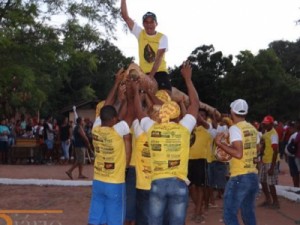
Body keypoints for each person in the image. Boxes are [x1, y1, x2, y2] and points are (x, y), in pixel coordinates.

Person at [134, 61, 199, 225]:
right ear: (177, 116)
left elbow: (139, 112)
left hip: (156, 184)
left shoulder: (152, 129)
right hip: (178, 183)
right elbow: (195, 104)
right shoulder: (184, 129)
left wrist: (136, 91)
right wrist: (188, 80)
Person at [214, 99, 260, 225]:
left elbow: (238, 154)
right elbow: (258, 148)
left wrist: (220, 144)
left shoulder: (235, 128)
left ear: (232, 111)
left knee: (229, 214)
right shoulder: (252, 128)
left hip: (239, 177)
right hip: (252, 176)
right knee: (248, 212)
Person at [121, 0, 172, 92]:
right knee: (132, 67)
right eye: (146, 22)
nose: (149, 25)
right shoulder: (140, 33)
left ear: (156, 24)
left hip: (160, 72)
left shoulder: (162, 37)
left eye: (152, 22)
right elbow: (125, 17)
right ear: (143, 24)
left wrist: (151, 77)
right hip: (144, 73)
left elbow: (159, 58)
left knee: (165, 97)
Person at [259, 115, 280, 209]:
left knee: (271, 183)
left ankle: (275, 202)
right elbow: (263, 144)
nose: (264, 125)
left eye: (266, 124)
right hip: (265, 160)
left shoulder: (273, 134)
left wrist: (272, 167)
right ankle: (268, 199)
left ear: (271, 124)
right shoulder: (266, 132)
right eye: (264, 124)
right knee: (262, 181)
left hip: (271, 161)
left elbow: (275, 151)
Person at [284, 121, 299, 187]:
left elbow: (289, 149)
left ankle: (296, 188)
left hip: (293, 157)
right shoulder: (295, 135)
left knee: (295, 174)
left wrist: (286, 156)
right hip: (295, 156)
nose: (289, 129)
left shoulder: (294, 136)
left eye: (291, 128)